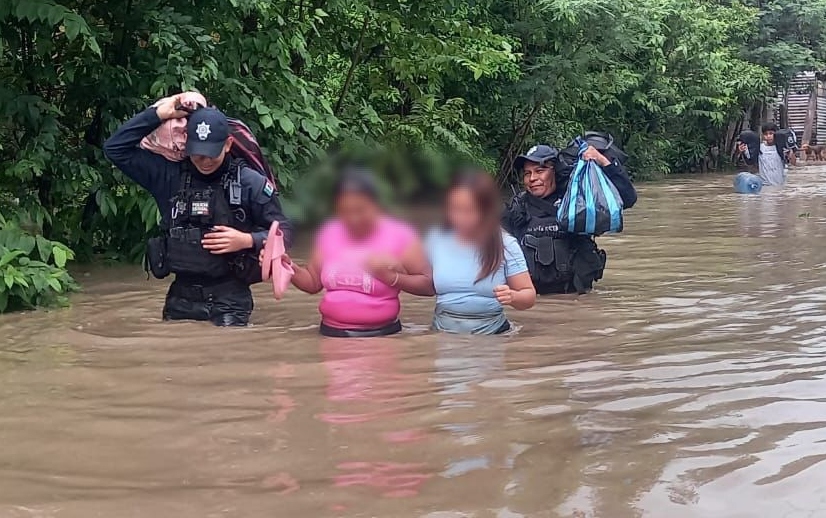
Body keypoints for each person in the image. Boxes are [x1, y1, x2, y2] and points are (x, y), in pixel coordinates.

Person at [103, 95, 293, 326]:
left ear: (228, 144)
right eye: (197, 153)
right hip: (179, 298)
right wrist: (160, 114)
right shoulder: (168, 177)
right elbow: (115, 148)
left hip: (229, 299)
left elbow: (285, 231)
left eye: (211, 154)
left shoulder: (249, 183)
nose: (204, 161)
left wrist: (247, 240)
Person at [279, 169, 431, 337]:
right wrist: (287, 266)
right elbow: (313, 282)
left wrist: (392, 278)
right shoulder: (329, 234)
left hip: (382, 339)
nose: (353, 218)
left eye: (360, 210)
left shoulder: (399, 236)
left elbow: (429, 285)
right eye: (345, 211)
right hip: (331, 337)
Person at [502, 143, 637, 295]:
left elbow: (627, 198)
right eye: (527, 173)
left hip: (576, 302)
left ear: (556, 171)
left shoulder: (579, 202)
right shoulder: (517, 208)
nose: (532, 178)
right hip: (533, 301)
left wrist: (602, 160)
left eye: (540, 171)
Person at [425, 170, 536, 335]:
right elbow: (420, 282)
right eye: (455, 209)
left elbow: (529, 296)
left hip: (492, 334)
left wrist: (513, 297)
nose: (461, 217)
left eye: (469, 210)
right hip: (443, 334)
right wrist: (395, 275)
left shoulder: (505, 244)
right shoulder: (435, 240)